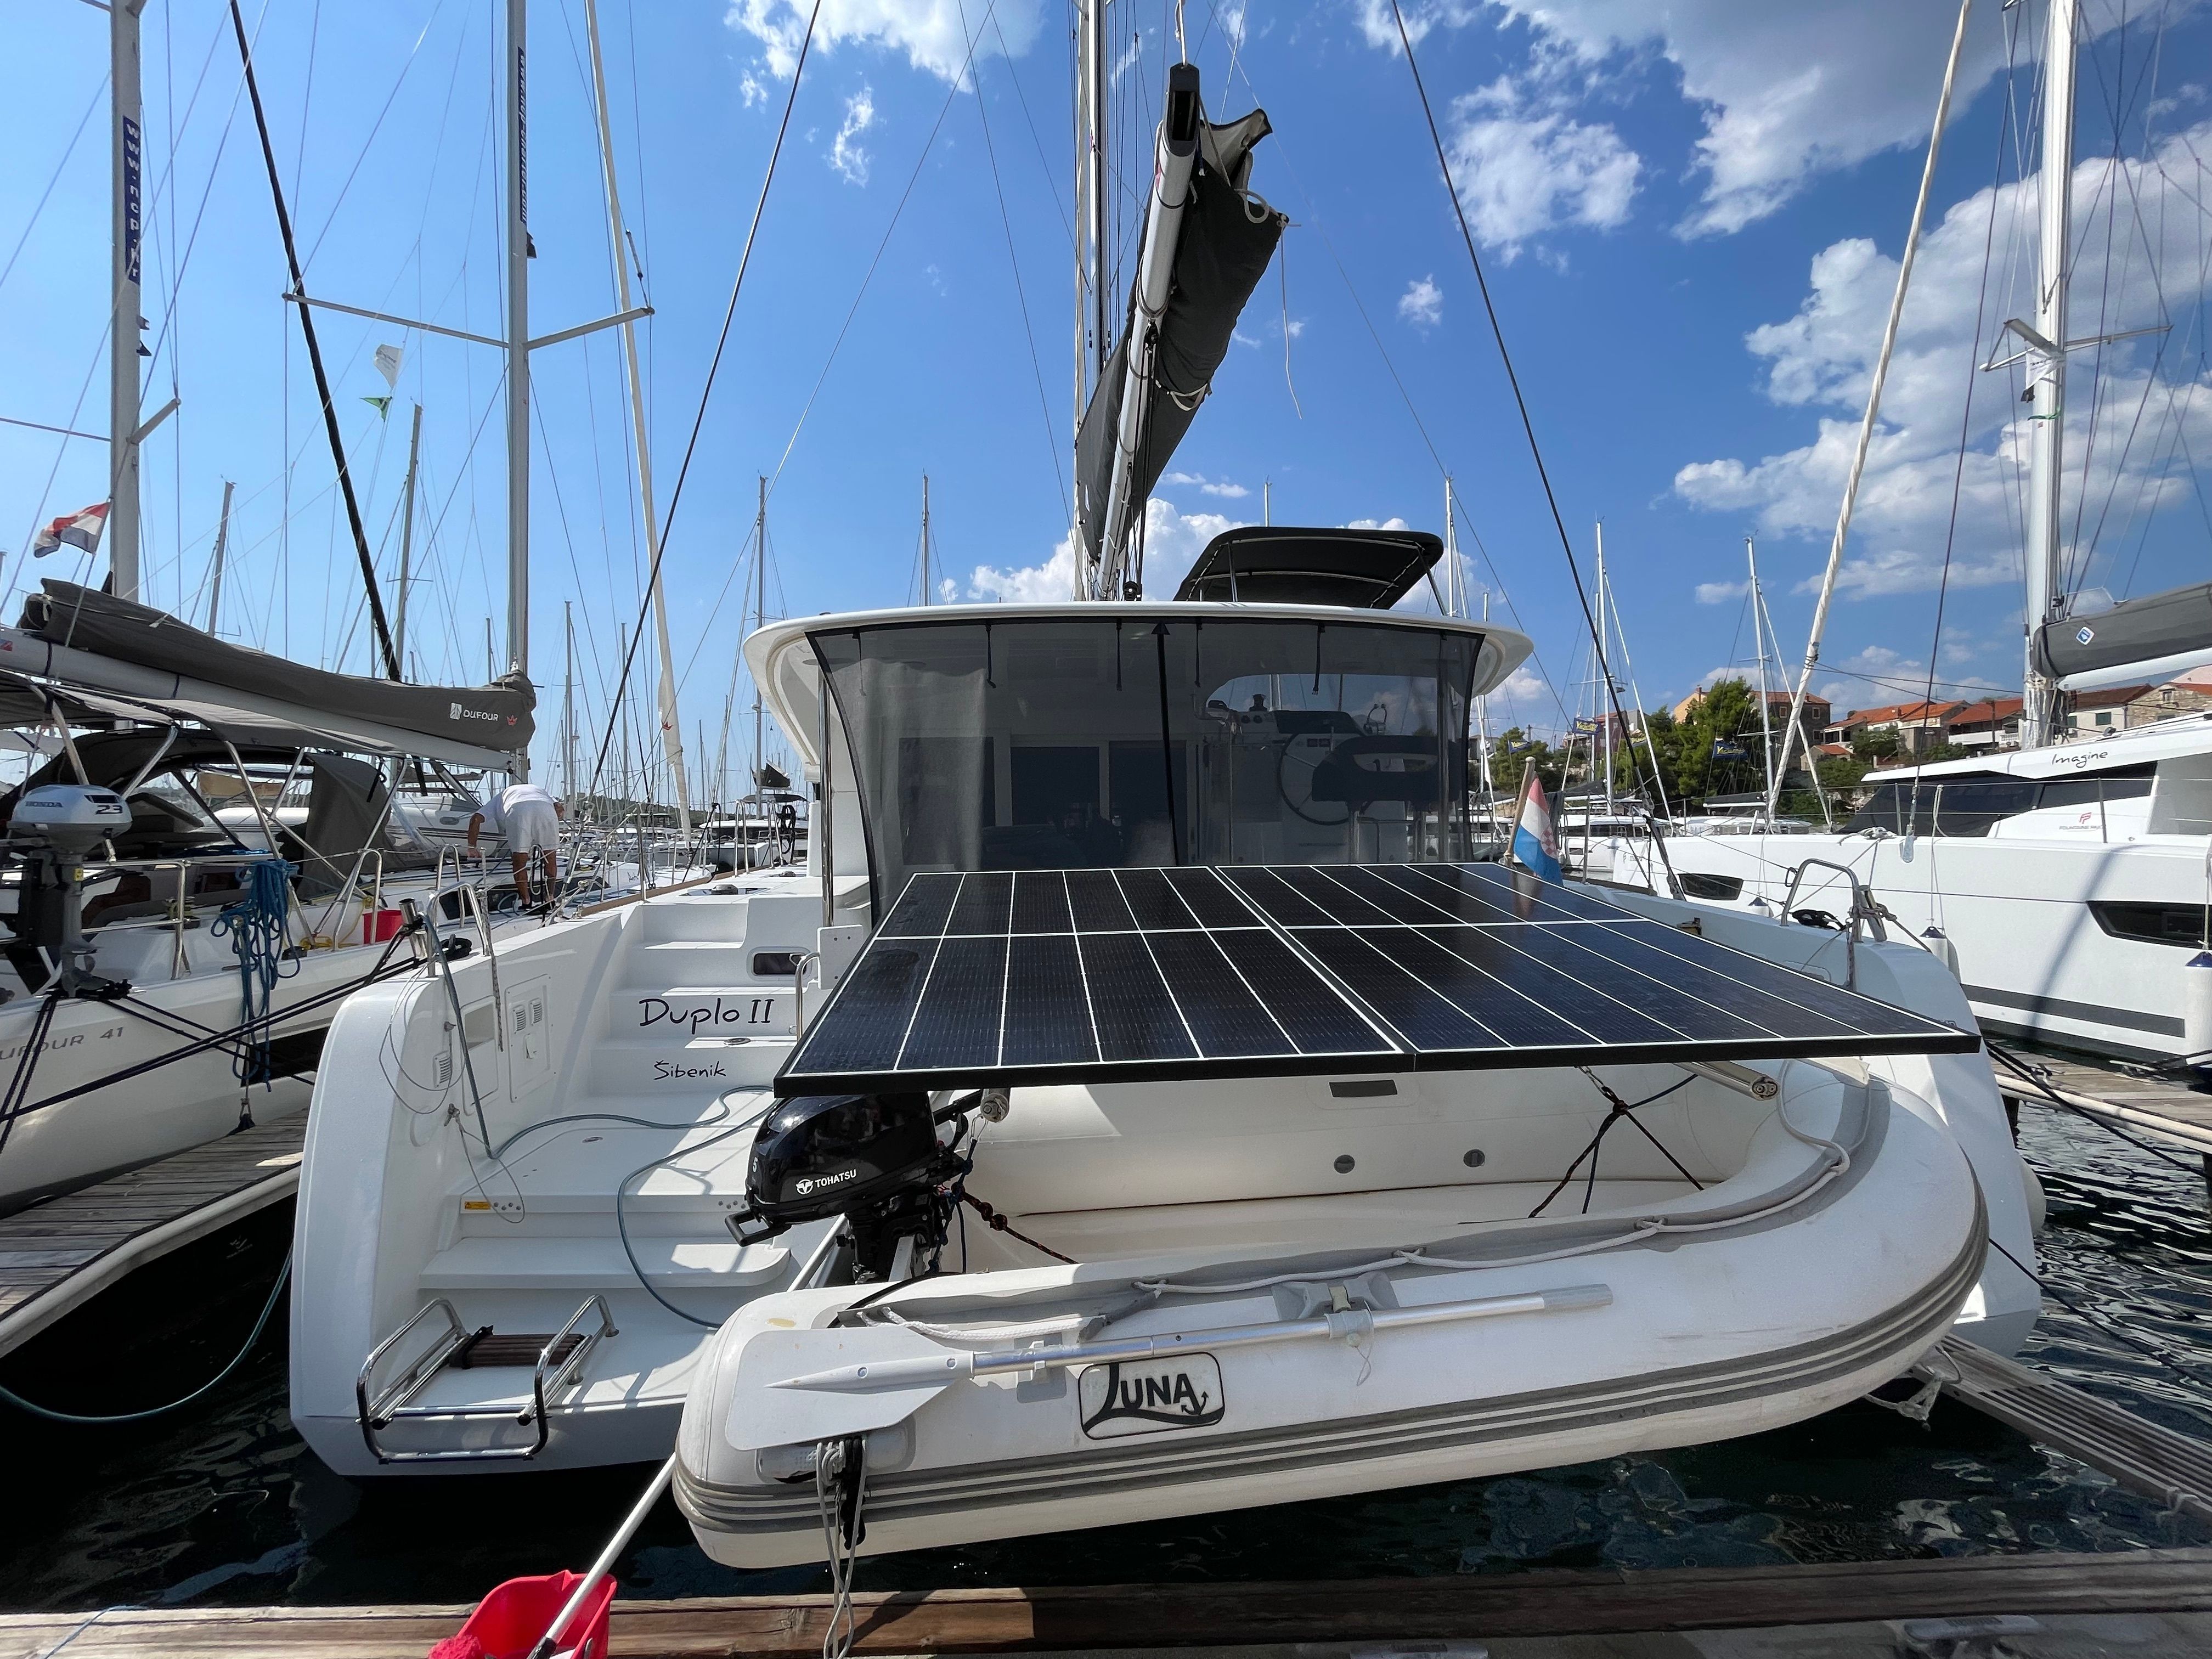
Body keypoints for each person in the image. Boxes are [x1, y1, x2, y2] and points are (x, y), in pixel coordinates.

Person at [467, 781, 565, 909]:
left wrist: (472, 847)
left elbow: (476, 819)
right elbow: (559, 808)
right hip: (546, 809)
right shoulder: (540, 791)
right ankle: (549, 899)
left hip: (518, 810)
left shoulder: (501, 797)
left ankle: (526, 902)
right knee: (550, 858)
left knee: (519, 862)